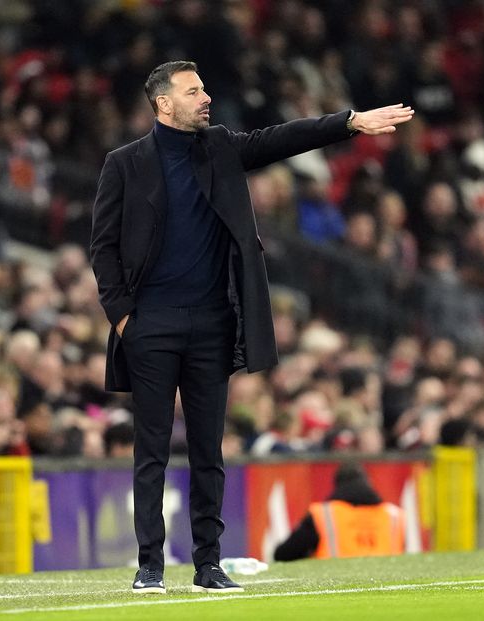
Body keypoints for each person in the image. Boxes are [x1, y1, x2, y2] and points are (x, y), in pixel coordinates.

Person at [90, 60, 414, 594]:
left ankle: (207, 565)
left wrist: (349, 122)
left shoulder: (219, 147)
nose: (206, 97)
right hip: (151, 323)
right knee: (150, 449)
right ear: (163, 103)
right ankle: (149, 565)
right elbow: (102, 246)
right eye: (194, 91)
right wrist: (124, 316)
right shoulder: (125, 164)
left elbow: (282, 138)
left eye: (205, 88)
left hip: (214, 322)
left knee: (208, 451)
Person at [273, 463, 404, 561]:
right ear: (368, 483)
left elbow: (284, 553)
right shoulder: (394, 515)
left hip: (335, 589)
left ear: (338, 486)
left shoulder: (324, 515)